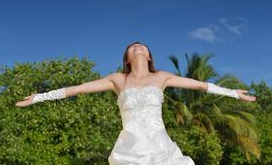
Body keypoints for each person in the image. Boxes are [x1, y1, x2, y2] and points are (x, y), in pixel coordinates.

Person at [15, 41, 257, 164]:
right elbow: (77, 89)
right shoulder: (117, 80)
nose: (138, 46)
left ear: (149, 56)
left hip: (161, 148)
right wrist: (40, 97)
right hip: (130, 149)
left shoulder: (162, 77)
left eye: (142, 46)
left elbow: (200, 85)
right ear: (128, 59)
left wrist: (233, 93)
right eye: (132, 46)